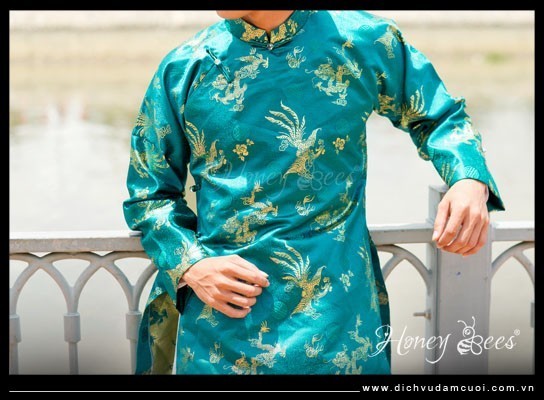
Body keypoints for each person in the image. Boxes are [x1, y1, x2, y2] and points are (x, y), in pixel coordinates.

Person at [123, 10, 505, 375]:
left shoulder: (362, 41)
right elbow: (150, 195)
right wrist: (191, 264)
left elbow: (439, 116)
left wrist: (468, 180)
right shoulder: (185, 68)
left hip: (341, 327)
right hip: (222, 328)